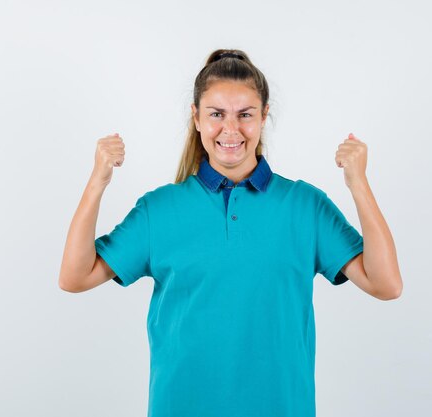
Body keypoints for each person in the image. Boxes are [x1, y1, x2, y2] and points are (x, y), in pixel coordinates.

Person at [58, 49, 403, 417]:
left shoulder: (305, 206)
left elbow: (386, 285)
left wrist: (358, 184)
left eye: (245, 115)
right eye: (216, 114)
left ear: (264, 116)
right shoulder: (158, 210)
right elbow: (75, 277)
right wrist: (98, 182)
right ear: (196, 117)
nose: (231, 129)